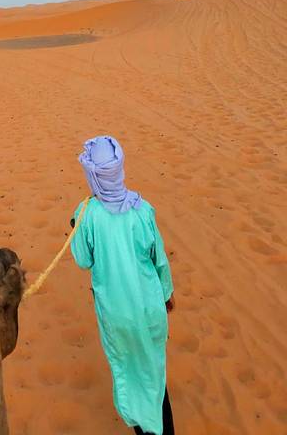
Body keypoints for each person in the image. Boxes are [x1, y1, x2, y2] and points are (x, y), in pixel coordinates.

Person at [70, 136, 175, 435]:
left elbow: (83, 259)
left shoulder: (88, 213)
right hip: (151, 309)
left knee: (129, 375)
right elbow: (160, 260)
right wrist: (167, 295)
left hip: (118, 316)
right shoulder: (143, 210)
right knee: (154, 373)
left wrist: (77, 224)